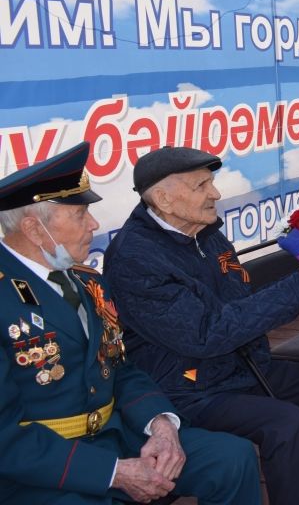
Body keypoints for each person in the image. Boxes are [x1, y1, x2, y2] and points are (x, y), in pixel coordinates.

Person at [102, 146, 299, 505]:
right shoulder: (134, 258)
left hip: (238, 367)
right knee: (286, 424)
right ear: (164, 199)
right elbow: (204, 334)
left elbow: (243, 300)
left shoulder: (207, 234)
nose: (215, 194)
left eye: (212, 183)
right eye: (201, 185)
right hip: (186, 389)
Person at [0, 142, 261, 505]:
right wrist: (114, 471)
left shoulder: (87, 281)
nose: (94, 224)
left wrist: (161, 423)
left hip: (114, 436)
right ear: (32, 228)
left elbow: (121, 368)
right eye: (80, 215)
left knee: (230, 459)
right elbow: (6, 439)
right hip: (42, 470)